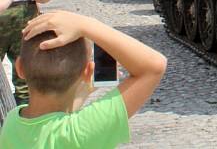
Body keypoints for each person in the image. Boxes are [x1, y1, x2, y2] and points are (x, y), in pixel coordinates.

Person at [0, 10, 167, 148]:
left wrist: (83, 92)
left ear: (19, 68)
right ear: (87, 71)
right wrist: (86, 24)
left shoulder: (12, 121)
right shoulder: (80, 133)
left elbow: (52, 120)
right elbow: (154, 66)